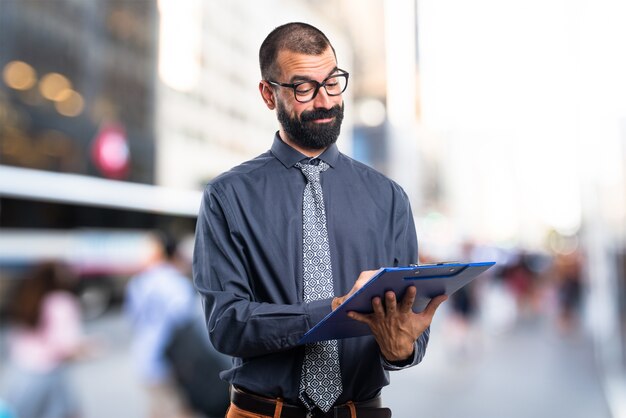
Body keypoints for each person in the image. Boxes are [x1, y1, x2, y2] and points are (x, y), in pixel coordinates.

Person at [193, 22, 447, 418]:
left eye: (332, 82)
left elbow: (408, 322)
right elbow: (227, 324)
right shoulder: (228, 196)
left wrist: (404, 350)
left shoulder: (389, 197)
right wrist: (332, 311)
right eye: (303, 88)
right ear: (267, 93)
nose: (325, 101)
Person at [125, 233, 204, 418]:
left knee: (157, 409)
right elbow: (186, 322)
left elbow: (132, 319)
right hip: (171, 361)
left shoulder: (138, 282)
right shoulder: (176, 283)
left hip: (144, 356)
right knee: (179, 410)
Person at [2, 261, 90, 418]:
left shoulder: (26, 297)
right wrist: (90, 349)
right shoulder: (61, 301)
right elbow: (67, 346)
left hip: (22, 373)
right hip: (49, 374)